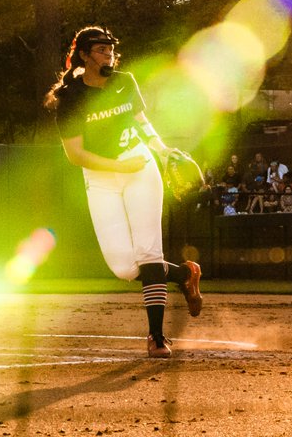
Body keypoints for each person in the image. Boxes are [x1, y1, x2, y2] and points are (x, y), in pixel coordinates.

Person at [43, 25, 202, 359]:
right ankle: (185, 273)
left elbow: (142, 121)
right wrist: (117, 168)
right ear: (84, 55)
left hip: (140, 168)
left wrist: (161, 150)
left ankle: (157, 338)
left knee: (147, 253)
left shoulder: (124, 82)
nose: (109, 55)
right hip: (102, 178)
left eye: (111, 49)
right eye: (101, 50)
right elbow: (75, 155)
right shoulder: (71, 98)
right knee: (125, 268)